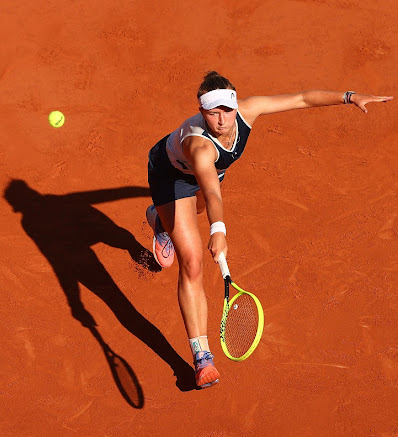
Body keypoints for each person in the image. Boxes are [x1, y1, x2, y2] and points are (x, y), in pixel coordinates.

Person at [145, 71, 391, 389]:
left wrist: (348, 96)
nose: (221, 120)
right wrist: (218, 230)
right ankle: (202, 357)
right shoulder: (200, 148)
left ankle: (161, 220)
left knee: (196, 210)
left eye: (227, 110)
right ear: (202, 112)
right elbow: (213, 192)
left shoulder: (249, 110)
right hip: (172, 177)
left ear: (236, 105)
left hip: (206, 180)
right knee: (191, 260)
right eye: (212, 112)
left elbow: (302, 97)